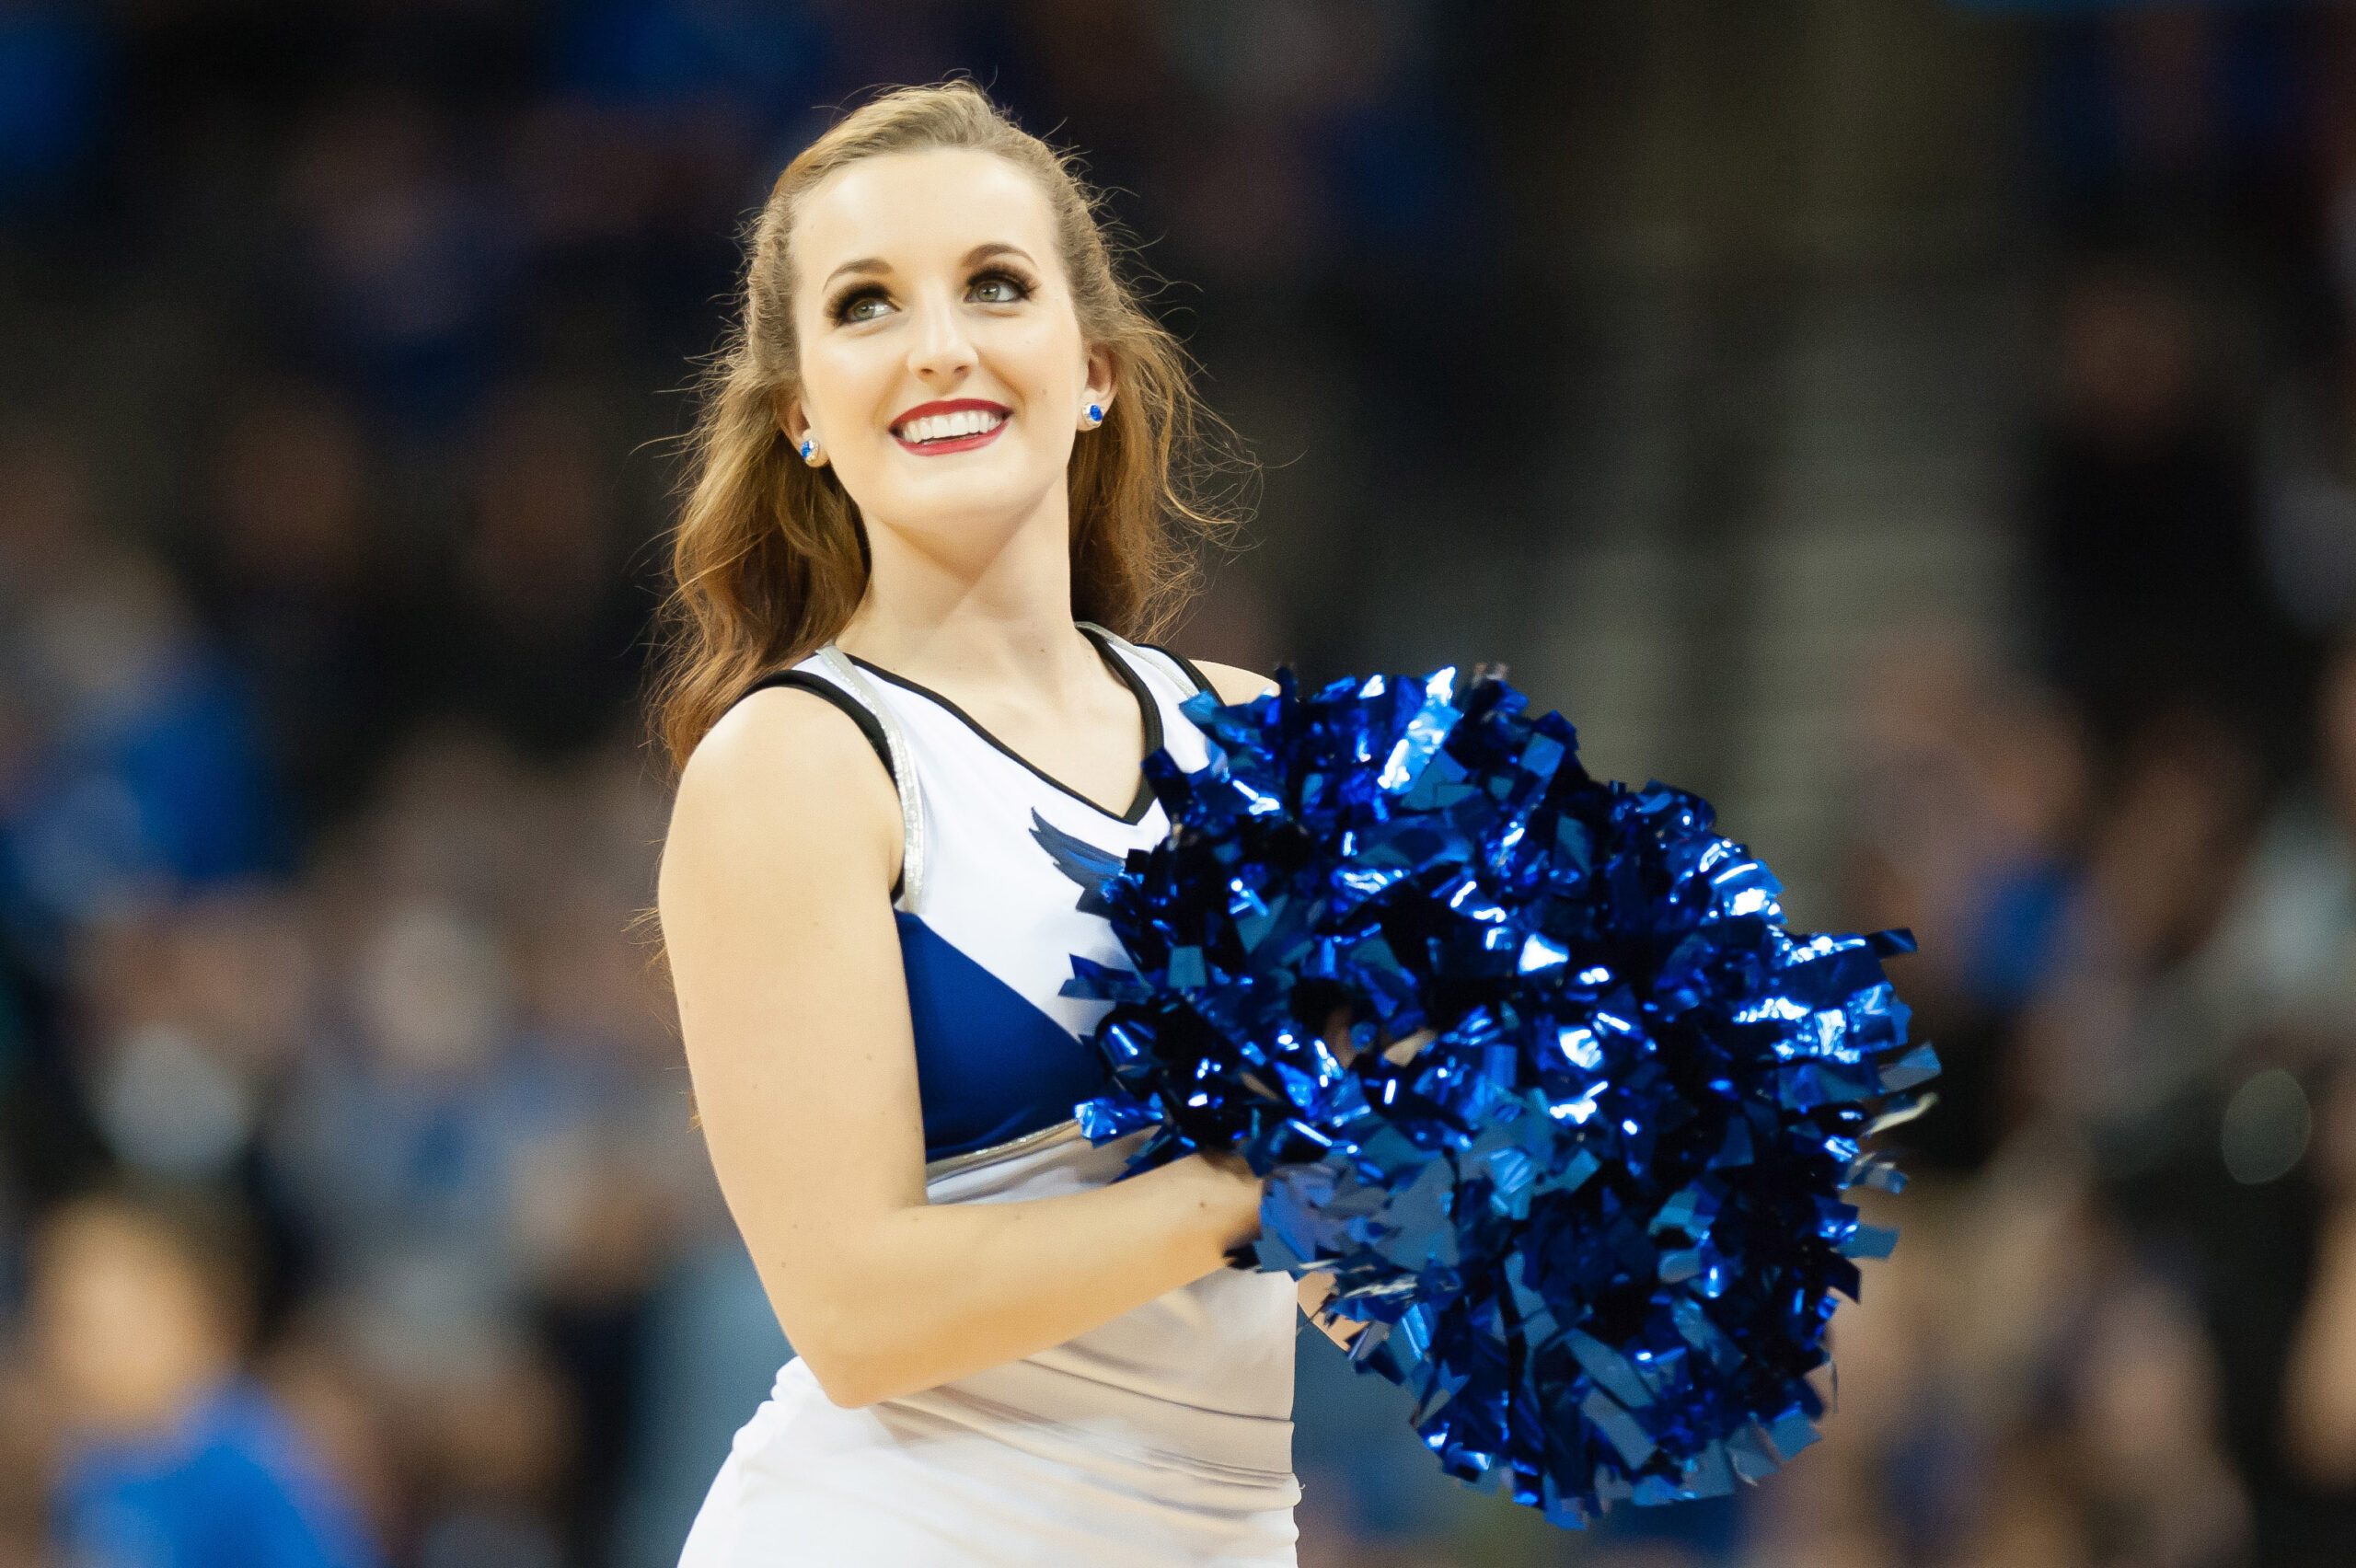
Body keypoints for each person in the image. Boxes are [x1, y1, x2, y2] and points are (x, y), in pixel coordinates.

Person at [647, 80, 1350, 1565]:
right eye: (866, 305)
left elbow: (1359, 1262)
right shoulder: (797, 768)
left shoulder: (1257, 741)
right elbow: (857, 1316)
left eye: (993, 285)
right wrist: (1248, 1186)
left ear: (1091, 366)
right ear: (802, 417)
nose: (940, 346)